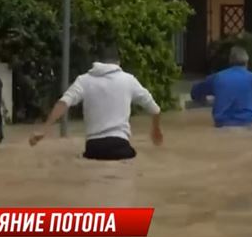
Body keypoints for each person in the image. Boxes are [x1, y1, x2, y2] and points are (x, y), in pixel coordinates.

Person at [28, 45, 163, 160]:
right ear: (118, 62)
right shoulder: (128, 80)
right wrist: (155, 130)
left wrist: (44, 130)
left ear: (97, 61)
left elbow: (63, 103)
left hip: (93, 149)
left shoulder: (84, 80)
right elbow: (155, 109)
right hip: (121, 147)